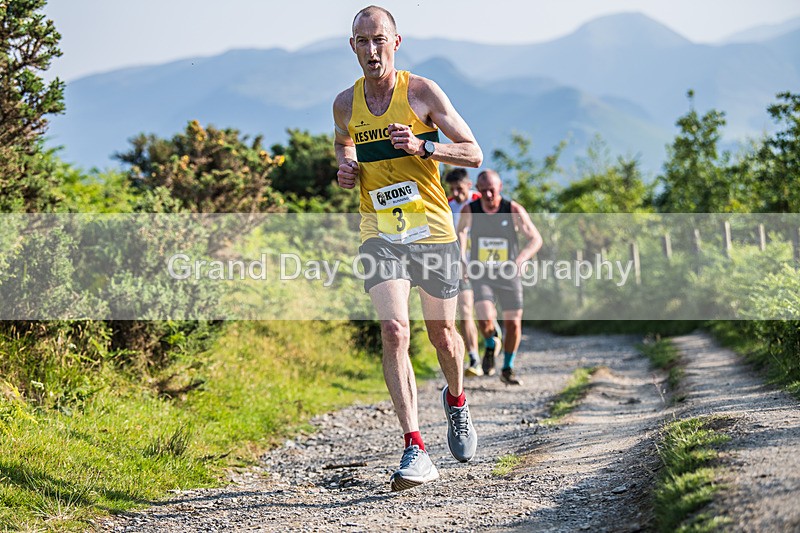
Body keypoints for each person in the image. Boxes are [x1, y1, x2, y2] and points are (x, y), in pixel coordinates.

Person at [332, 5, 483, 491]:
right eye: (362, 41)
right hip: (379, 232)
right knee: (396, 330)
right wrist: (347, 167)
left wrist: (424, 147)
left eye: (380, 40)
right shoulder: (344, 104)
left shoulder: (420, 92)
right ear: (351, 46)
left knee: (444, 338)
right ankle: (414, 446)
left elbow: (474, 152)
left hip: (433, 230)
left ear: (396, 43)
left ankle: (456, 401)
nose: (371, 50)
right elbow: (343, 143)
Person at [456, 169, 543, 385]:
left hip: (508, 274)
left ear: (500, 188)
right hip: (481, 273)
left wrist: (521, 259)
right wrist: (462, 260)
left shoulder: (512, 209)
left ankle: (507, 367)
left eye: (491, 191)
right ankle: (490, 343)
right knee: (485, 318)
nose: (487, 195)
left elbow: (535, 239)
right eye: (483, 191)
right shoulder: (471, 209)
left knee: (513, 324)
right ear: (478, 190)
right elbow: (460, 233)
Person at [444, 169, 483, 377]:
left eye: (459, 188)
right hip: (460, 266)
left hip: (486, 265)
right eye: (452, 189)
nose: (456, 193)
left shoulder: (481, 201)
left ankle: (492, 333)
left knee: (484, 312)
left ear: (469, 185)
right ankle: (474, 357)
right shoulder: (447, 206)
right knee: (465, 310)